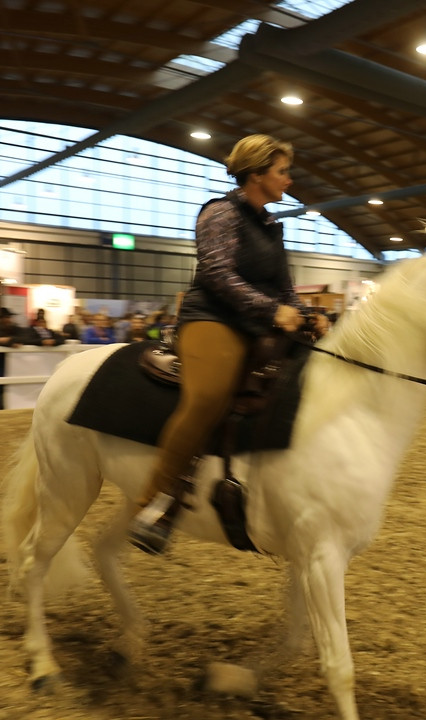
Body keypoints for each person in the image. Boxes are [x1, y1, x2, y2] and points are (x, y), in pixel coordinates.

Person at [129, 133, 328, 555]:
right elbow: (219, 275)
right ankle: (154, 503)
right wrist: (272, 311)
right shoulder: (220, 213)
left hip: (257, 323)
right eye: (282, 171)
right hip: (213, 317)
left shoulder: (272, 226)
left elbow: (284, 287)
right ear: (256, 175)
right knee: (208, 397)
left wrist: (308, 315)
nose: (289, 180)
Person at [0, 307, 22, 410]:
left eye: (8, 317)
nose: (8, 319)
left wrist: (7, 340)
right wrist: (10, 342)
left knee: (3, 384)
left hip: (8, 360)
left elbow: (21, 337)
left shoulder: (13, 328)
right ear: (1, 318)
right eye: (6, 317)